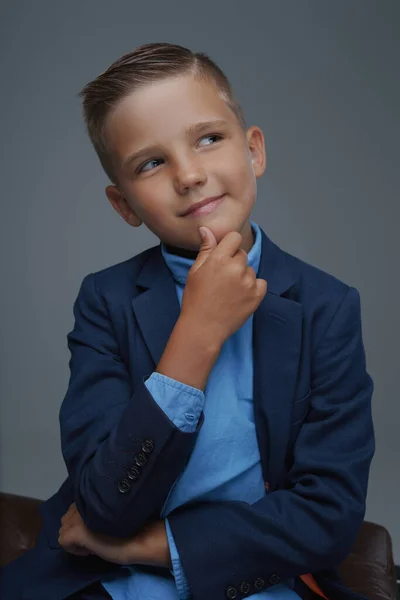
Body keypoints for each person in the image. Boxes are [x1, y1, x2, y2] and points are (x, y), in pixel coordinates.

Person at [0, 42, 375, 600]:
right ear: (124, 205)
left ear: (254, 151)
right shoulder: (106, 300)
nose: (189, 174)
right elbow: (104, 501)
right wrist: (196, 333)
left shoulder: (328, 308)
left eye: (208, 138)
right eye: (151, 163)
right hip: (104, 578)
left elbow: (327, 516)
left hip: (243, 576)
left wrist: (150, 547)